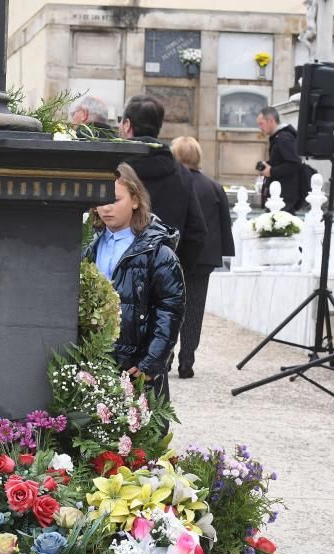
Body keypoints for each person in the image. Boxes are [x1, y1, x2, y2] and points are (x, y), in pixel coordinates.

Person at [83, 162, 185, 404]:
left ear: (136, 200)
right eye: (101, 200)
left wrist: (152, 361)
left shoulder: (159, 252)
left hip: (137, 364)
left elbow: (170, 310)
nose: (106, 208)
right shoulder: (89, 246)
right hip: (96, 358)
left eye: (115, 200)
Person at [170, 137, 235, 380]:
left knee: (169, 306)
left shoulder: (175, 185)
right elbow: (224, 224)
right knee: (195, 309)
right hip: (203, 258)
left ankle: (166, 355)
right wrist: (222, 252)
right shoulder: (214, 186)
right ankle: (187, 359)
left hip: (175, 254)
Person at [119, 95, 207, 273]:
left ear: (128, 125)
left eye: (121, 121)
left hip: (117, 270)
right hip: (163, 272)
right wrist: (175, 269)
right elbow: (196, 232)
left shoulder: (115, 169)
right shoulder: (182, 174)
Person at [256, 106, 304, 213]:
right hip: (279, 195)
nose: (260, 127)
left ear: (271, 121)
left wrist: (271, 171)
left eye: (261, 124)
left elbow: (294, 164)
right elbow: (283, 161)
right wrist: (268, 165)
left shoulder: (283, 138)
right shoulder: (279, 137)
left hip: (284, 197)